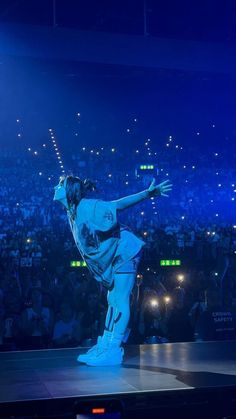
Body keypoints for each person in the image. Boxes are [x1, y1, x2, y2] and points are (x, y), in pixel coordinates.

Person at [53, 175, 172, 366]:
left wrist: (148, 194)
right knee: (112, 300)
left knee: (120, 298)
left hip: (125, 251)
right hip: (116, 253)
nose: (55, 187)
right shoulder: (73, 211)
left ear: (69, 190)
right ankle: (106, 344)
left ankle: (114, 349)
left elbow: (117, 205)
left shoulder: (87, 205)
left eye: (60, 185)